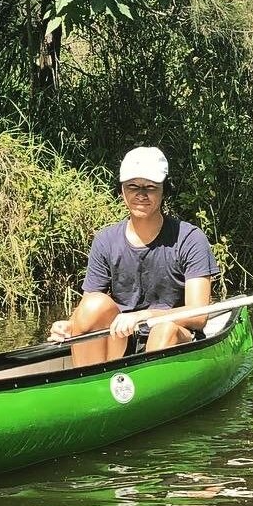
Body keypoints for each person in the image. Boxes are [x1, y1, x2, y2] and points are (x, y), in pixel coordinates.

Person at [48, 146, 219, 367]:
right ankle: (90, 386)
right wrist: (69, 325)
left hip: (173, 335)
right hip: (121, 336)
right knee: (92, 305)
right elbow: (89, 307)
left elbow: (198, 316)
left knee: (163, 330)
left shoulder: (190, 238)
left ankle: (153, 387)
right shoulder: (105, 240)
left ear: (164, 191)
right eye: (133, 187)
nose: (141, 194)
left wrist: (143, 316)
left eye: (150, 187)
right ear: (122, 192)